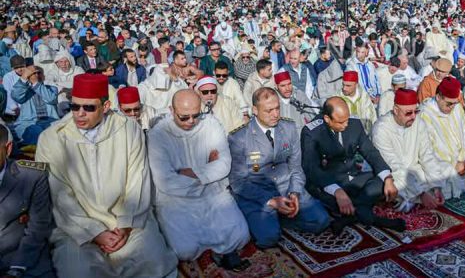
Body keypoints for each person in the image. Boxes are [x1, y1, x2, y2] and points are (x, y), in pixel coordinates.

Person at [35, 74, 177, 278]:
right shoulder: (52, 138)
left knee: (152, 261)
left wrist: (126, 225)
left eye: (89, 108)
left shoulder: (128, 129)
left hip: (127, 220)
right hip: (75, 226)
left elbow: (138, 179)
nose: (79, 114)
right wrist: (94, 232)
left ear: (106, 106)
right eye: (75, 107)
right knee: (80, 271)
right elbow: (59, 195)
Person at [147, 90, 250, 270]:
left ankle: (219, 249)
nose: (191, 121)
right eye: (184, 117)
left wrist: (191, 173)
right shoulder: (158, 134)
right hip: (177, 199)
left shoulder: (210, 124)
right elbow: (165, 181)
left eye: (195, 115)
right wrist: (208, 172)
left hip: (213, 193)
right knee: (184, 250)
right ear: (171, 110)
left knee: (240, 236)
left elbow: (224, 164)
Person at [228, 88, 330, 246]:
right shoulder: (239, 138)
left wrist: (295, 192)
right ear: (254, 110)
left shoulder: (288, 128)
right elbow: (238, 182)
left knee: (321, 221)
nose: (275, 114)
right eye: (269, 110)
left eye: (277, 108)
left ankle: (283, 221)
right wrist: (271, 201)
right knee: (268, 239)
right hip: (258, 193)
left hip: (286, 186)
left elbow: (296, 167)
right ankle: (271, 221)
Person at [301, 97, 404, 234]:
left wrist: (388, 177)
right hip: (327, 182)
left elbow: (370, 152)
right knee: (328, 197)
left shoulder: (354, 124)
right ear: (327, 118)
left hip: (352, 177)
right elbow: (312, 169)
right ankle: (378, 220)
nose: (345, 125)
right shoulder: (311, 132)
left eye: (347, 120)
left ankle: (348, 218)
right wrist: (337, 192)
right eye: (341, 122)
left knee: (381, 183)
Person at [370, 89, 447, 212]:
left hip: (412, 170)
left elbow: (427, 155)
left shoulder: (419, 123)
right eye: (408, 113)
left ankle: (413, 198)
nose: (413, 116)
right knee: (395, 185)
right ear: (396, 110)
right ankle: (411, 199)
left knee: (445, 171)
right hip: (389, 173)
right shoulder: (381, 129)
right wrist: (421, 193)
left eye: (416, 111)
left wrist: (436, 186)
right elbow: (393, 166)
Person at [417, 77, 465, 199]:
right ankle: (452, 187)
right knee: (445, 189)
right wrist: (453, 165)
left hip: (462, 161)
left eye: (455, 103)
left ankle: (457, 187)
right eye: (449, 103)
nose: (452, 107)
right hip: (441, 165)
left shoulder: (457, 108)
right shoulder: (425, 113)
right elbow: (428, 148)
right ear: (438, 97)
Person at [0, 124, 55, 278]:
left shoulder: (33, 176)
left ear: (8, 148)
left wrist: (16, 270)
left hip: (24, 261)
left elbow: (38, 228)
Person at [10, 65, 59, 146]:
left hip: (50, 121)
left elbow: (51, 99)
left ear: (43, 76)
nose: (36, 75)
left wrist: (36, 83)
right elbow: (16, 96)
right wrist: (24, 78)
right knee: (35, 131)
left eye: (39, 73)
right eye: (33, 73)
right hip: (28, 122)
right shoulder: (24, 90)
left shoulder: (52, 89)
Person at [336, 70, 377, 135]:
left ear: (356, 85)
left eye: (348, 86)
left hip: (364, 135)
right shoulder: (336, 98)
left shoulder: (364, 96)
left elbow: (372, 116)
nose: (344, 88)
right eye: (343, 85)